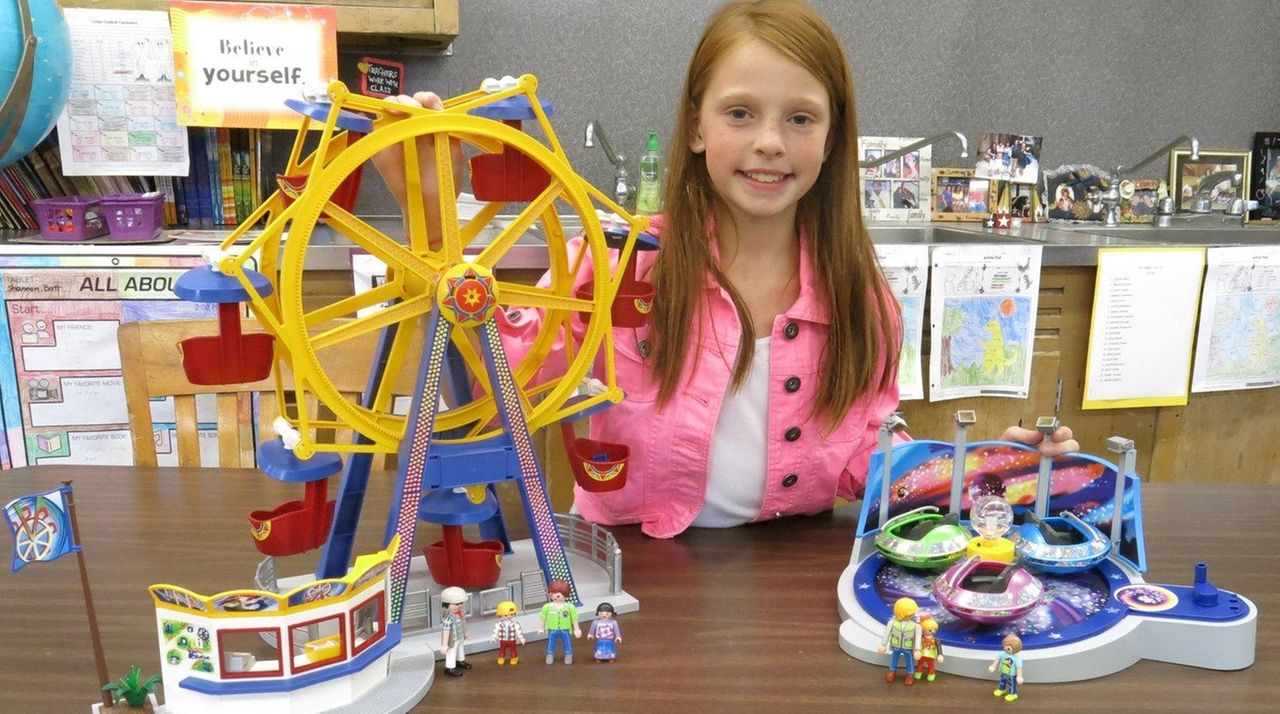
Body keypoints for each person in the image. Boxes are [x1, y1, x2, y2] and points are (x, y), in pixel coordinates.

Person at [374, 0, 1079, 540]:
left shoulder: (861, 299)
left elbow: (869, 456)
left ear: (833, 139)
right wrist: (426, 214)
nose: (769, 142)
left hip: (787, 581)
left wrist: (988, 470)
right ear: (698, 126)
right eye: (741, 112)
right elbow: (504, 382)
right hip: (632, 569)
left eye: (801, 119)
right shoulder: (624, 267)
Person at [877, 597, 920, 686]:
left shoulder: (916, 626)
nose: (911, 615)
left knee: (909, 660)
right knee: (894, 658)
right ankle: (892, 671)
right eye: (909, 613)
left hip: (908, 647)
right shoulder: (892, 623)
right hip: (896, 645)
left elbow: (918, 638)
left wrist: (917, 649)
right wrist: (883, 645)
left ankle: (910, 674)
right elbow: (887, 634)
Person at [539, 579, 580, 664]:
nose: (554, 597)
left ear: (565, 594)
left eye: (557, 596)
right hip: (552, 628)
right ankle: (550, 654)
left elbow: (574, 618)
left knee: (567, 642)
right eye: (551, 594)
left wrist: (577, 629)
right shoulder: (547, 607)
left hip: (565, 629)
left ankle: (568, 654)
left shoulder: (569, 607)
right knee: (551, 642)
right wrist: (541, 627)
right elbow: (543, 617)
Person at [439, 586, 471, 677]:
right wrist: (444, 645)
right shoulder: (448, 619)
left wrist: (465, 633)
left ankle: (461, 661)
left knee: (461, 649)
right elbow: (446, 632)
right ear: (447, 605)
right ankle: (450, 667)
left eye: (460, 603)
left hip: (460, 637)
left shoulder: (461, 614)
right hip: (452, 640)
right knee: (451, 652)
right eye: (455, 604)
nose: (459, 606)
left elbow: (463, 624)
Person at [989, 633, 1024, 702]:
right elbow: (997, 660)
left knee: (1012, 684)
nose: (1006, 648)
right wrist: (993, 666)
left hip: (1011, 675)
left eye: (1009, 647)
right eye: (1005, 645)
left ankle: (1013, 694)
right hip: (1003, 672)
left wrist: (1019, 677)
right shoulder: (1002, 654)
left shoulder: (1017, 659)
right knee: (1002, 681)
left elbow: (1019, 668)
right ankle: (1002, 689)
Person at [490, 600, 526, 665]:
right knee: (502, 649)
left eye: (511, 614)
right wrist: (493, 638)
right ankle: (501, 657)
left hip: (512, 640)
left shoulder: (515, 623)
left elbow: (518, 631)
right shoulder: (499, 624)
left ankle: (514, 657)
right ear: (501, 615)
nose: (509, 616)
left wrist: (521, 638)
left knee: (513, 649)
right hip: (503, 640)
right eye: (506, 615)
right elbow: (495, 631)